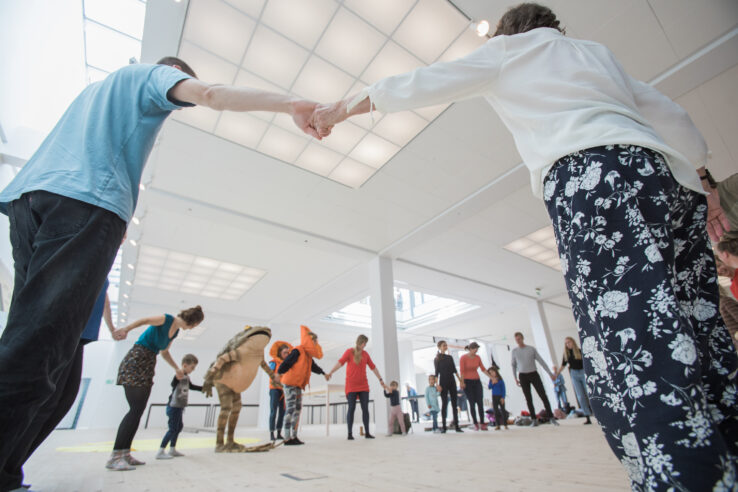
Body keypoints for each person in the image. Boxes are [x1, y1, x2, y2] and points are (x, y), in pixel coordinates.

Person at [312, 5, 738, 484]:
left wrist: (342, 108)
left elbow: (422, 82)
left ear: (505, 35)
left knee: (634, 340)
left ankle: (688, 477)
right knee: (702, 328)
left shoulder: (507, 52)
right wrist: (706, 180)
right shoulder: (595, 53)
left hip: (591, 184)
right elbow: (669, 114)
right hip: (664, 180)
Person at [0, 53, 325, 482]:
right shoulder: (153, 77)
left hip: (31, 201)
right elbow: (211, 95)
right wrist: (292, 105)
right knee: (38, 355)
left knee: (53, 360)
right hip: (86, 202)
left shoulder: (95, 91)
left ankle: (8, 468)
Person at [0, 282, 114, 491]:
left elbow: (103, 296)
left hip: (78, 332)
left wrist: (112, 328)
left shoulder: (101, 256)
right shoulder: (82, 249)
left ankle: (9, 472)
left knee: (62, 400)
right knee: (38, 398)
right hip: (57, 323)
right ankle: (6, 476)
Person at [107, 305, 204, 471]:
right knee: (134, 410)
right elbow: (145, 320)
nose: (193, 328)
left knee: (137, 411)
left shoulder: (175, 332)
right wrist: (126, 329)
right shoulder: (166, 319)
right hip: (137, 359)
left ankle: (125, 454)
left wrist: (176, 368)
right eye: (195, 325)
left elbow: (165, 352)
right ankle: (115, 457)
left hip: (149, 362)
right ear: (193, 323)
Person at [275, 325, 327, 446]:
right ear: (309, 341)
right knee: (290, 409)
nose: (315, 344)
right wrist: (279, 373)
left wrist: (324, 373)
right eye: (314, 341)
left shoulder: (308, 356)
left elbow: (314, 367)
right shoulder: (298, 350)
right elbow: (286, 363)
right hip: (289, 384)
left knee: (297, 410)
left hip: (298, 385)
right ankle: (287, 438)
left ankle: (294, 436)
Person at [326, 334, 383, 440]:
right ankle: (349, 433)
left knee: (365, 409)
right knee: (351, 408)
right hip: (351, 385)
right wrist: (330, 372)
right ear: (360, 342)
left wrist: (380, 379)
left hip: (363, 386)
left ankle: (367, 433)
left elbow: (373, 367)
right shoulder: (349, 352)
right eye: (364, 343)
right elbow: (340, 363)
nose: (365, 345)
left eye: (366, 343)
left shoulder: (365, 354)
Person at [156, 353, 202, 459]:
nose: (193, 370)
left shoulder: (186, 377)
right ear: (185, 365)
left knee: (178, 427)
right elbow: (173, 384)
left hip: (180, 407)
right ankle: (160, 451)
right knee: (172, 429)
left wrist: (204, 388)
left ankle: (172, 449)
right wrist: (178, 375)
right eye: (192, 367)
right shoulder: (179, 375)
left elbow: (192, 387)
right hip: (173, 407)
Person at [509, 333, 557, 427]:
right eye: (516, 339)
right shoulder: (514, 351)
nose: (518, 341)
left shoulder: (531, 349)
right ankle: (534, 420)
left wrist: (550, 374)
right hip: (522, 376)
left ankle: (551, 418)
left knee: (543, 395)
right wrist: (515, 377)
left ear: (523, 338)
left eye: (519, 339)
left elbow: (541, 361)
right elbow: (513, 365)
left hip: (534, 374)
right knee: (528, 398)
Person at [554, 337, 593, 425]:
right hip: (574, 374)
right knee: (580, 396)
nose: (568, 344)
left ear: (573, 342)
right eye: (566, 343)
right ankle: (587, 417)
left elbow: (586, 362)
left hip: (583, 373)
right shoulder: (566, 354)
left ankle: (596, 412)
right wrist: (556, 374)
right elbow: (563, 365)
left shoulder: (579, 351)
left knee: (589, 393)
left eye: (569, 342)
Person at [433, 340, 464, 433]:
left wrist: (460, 381)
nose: (445, 346)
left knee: (455, 404)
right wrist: (437, 384)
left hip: (452, 380)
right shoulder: (437, 359)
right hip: (443, 381)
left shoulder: (450, 357)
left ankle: (457, 426)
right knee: (444, 403)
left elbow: (455, 370)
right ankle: (444, 427)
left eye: (446, 345)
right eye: (443, 345)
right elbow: (436, 373)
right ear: (439, 347)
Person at [459, 342, 489, 430]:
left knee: (480, 402)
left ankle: (482, 423)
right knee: (472, 403)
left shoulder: (478, 357)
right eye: (475, 349)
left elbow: (483, 369)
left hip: (477, 381)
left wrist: (492, 377)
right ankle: (475, 423)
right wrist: (462, 382)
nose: (476, 350)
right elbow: (462, 371)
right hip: (467, 382)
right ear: (470, 349)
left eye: (477, 349)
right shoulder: (463, 358)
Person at [267, 341, 292, 441]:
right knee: (273, 411)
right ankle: (271, 433)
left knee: (282, 412)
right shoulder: (273, 362)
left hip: (284, 390)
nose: (286, 354)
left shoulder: (287, 365)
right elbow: (270, 373)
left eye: (287, 353)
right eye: (284, 352)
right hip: (274, 390)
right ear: (280, 353)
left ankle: (279, 433)